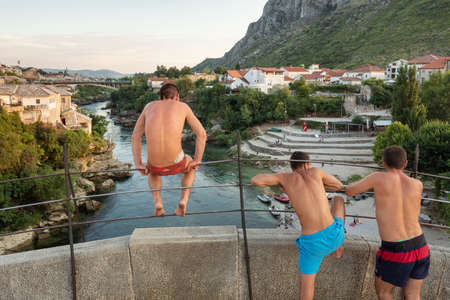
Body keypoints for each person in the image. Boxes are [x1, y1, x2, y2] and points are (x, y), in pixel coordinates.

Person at [251, 151, 346, 300]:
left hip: (313, 244)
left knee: (306, 289)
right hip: (335, 235)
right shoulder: (316, 172)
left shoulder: (285, 178)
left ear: (292, 166)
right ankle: (339, 249)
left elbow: (256, 180)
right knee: (338, 200)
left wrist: (280, 179)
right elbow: (339, 185)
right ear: (307, 164)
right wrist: (320, 183)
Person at [346, 146, 430, 300]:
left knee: (384, 292)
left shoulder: (378, 177)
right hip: (421, 245)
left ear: (383, 162)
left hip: (397, 249)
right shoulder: (417, 184)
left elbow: (350, 190)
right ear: (405, 164)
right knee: (413, 294)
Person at [131, 84, 207, 217]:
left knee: (152, 172)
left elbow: (135, 135)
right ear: (177, 97)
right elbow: (202, 134)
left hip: (155, 164)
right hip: (176, 162)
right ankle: (183, 200)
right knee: (190, 166)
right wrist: (197, 160)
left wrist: (138, 163)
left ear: (160, 97)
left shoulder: (149, 106)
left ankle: (158, 202)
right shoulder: (183, 106)